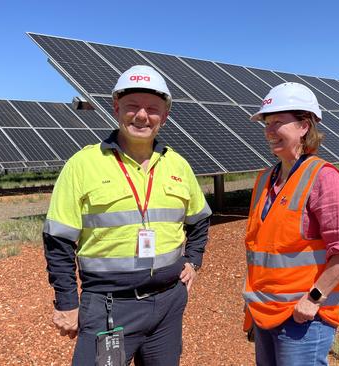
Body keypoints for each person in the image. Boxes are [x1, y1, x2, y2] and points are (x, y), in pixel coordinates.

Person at [43, 65, 211, 365]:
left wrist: (193, 260)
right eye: (133, 106)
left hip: (169, 304)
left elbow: (199, 220)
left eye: (152, 109)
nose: (142, 116)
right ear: (116, 107)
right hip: (109, 307)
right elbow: (58, 241)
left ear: (165, 116)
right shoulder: (82, 164)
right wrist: (67, 302)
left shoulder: (178, 166)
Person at [243, 82, 339, 365]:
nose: (270, 131)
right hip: (264, 314)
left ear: (304, 126)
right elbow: (260, 250)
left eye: (278, 122)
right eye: (267, 123)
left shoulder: (324, 178)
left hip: (304, 319)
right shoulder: (264, 179)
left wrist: (313, 298)